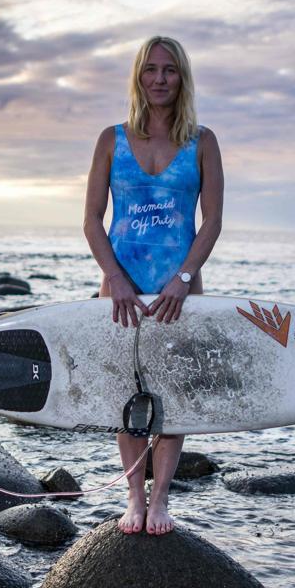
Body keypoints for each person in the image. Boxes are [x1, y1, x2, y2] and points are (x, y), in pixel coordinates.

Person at [83, 35, 225, 536]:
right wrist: (116, 279)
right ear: (138, 76)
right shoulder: (111, 138)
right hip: (120, 290)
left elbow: (211, 222)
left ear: (182, 78)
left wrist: (184, 279)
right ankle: (133, 496)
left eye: (169, 70)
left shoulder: (202, 141)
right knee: (127, 393)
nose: (159, 79)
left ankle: (161, 498)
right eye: (150, 69)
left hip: (178, 292)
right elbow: (92, 221)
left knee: (172, 394)